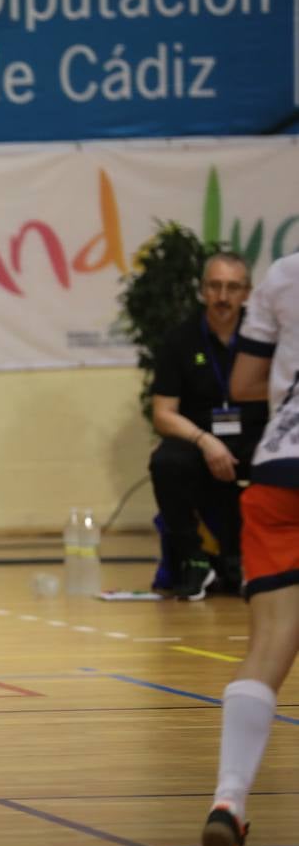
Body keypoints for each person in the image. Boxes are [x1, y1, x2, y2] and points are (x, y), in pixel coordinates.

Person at [201, 251, 299, 846]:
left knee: (268, 646)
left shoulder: (285, 275)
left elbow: (242, 386)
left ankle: (230, 801)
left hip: (278, 470)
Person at [149, 252, 265, 600]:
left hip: (255, 437)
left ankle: (254, 562)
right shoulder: (179, 340)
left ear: (247, 292)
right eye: (215, 286)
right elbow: (163, 413)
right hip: (199, 438)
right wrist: (204, 441)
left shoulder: (265, 338)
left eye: (232, 287)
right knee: (167, 461)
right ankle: (195, 561)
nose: (223, 296)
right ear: (203, 291)